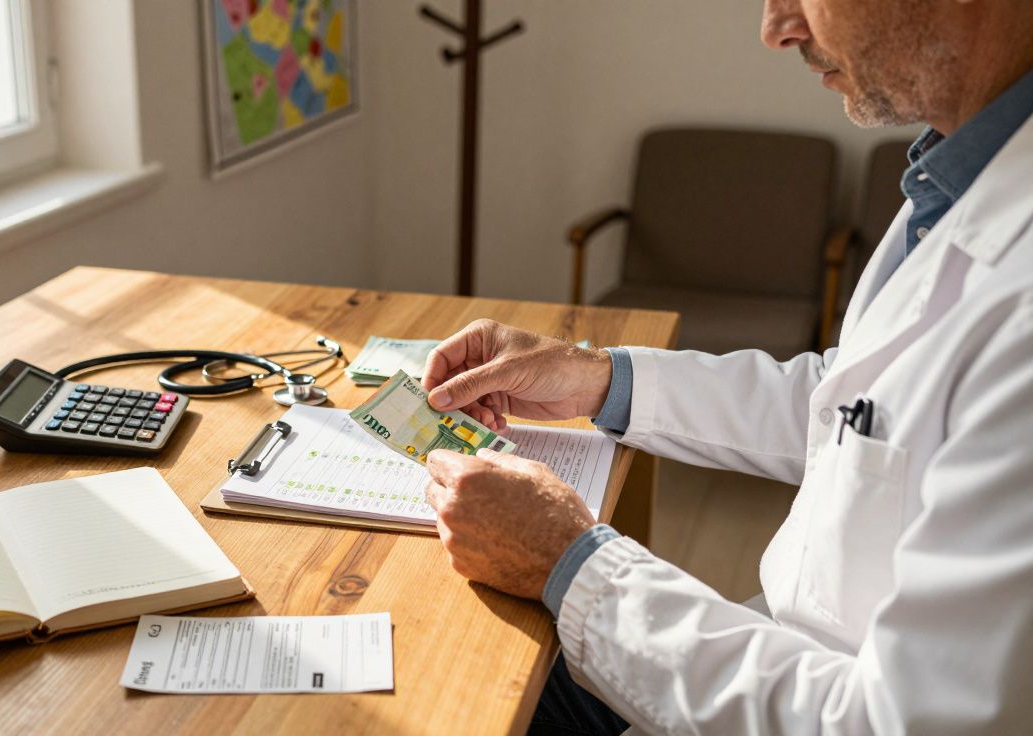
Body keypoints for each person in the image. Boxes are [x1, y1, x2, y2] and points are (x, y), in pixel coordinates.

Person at [419, 0, 1033, 733]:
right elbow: (861, 414)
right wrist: (599, 378)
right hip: (759, 662)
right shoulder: (959, 174)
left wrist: (570, 560)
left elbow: (901, 722)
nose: (775, 27)